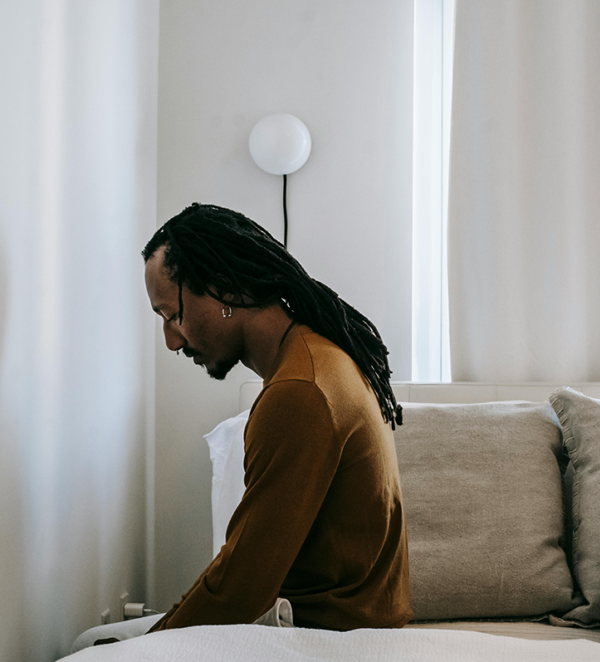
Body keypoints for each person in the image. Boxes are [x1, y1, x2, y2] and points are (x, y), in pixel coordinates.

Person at [72, 203, 411, 651]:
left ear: (224, 289)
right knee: (93, 640)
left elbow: (240, 590)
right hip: (347, 621)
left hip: (323, 637)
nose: (172, 341)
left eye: (173, 316)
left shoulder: (299, 393)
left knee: (90, 646)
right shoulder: (320, 355)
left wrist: (151, 644)